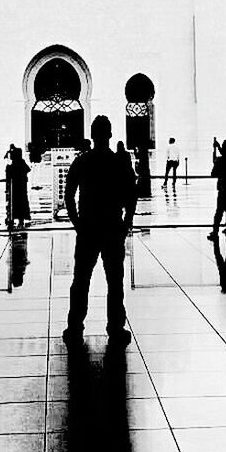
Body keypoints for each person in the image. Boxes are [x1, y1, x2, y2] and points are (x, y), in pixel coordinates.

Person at [63, 115, 137, 348]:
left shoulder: (82, 162)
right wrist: (126, 222)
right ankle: (115, 327)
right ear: (110, 134)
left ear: (93, 135)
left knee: (81, 280)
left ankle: (75, 327)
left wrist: (77, 222)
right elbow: (131, 195)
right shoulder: (119, 162)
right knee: (115, 281)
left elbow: (68, 195)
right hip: (113, 227)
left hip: (88, 228)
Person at [5, 145, 31, 226]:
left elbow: (9, 175)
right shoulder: (21, 162)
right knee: (20, 203)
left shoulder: (15, 164)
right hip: (21, 187)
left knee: (15, 203)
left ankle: (13, 219)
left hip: (16, 187)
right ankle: (20, 219)